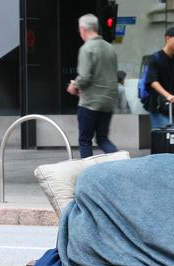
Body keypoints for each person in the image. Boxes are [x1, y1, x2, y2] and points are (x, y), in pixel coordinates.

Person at [67, 13, 118, 158]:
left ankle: (87, 174)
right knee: (103, 139)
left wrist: (74, 85)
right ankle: (121, 162)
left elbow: (84, 77)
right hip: (108, 102)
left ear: (83, 29)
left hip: (89, 103)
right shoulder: (110, 48)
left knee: (85, 140)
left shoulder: (86, 48)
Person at [144, 26, 174, 129]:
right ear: (167, 38)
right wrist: (168, 95)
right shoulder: (155, 58)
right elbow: (153, 81)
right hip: (159, 108)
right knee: (162, 141)